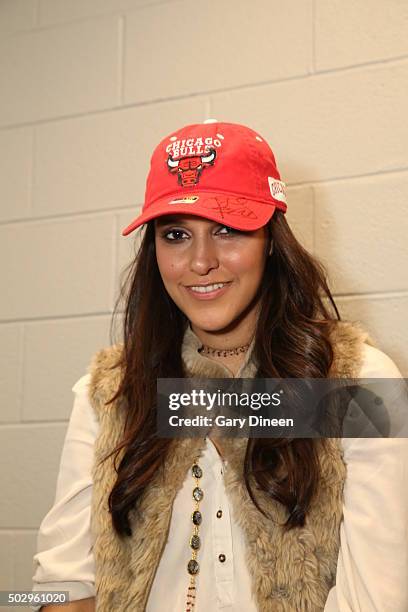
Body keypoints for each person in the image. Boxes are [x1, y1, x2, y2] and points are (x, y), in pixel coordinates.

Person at [32, 120, 408, 611]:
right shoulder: (108, 392)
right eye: (176, 235)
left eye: (228, 229)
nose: (201, 261)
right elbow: (61, 586)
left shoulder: (362, 382)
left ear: (272, 240)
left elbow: (378, 598)